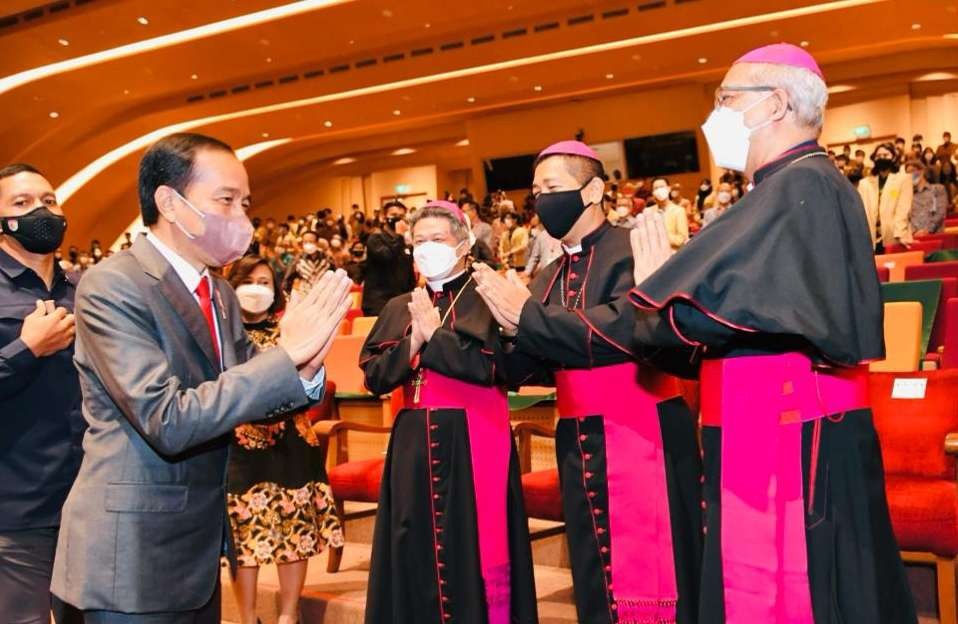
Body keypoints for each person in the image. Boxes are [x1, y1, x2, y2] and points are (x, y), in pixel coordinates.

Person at [571, 43, 914, 623]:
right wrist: (664, 302)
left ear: (775, 103)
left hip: (792, 434)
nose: (716, 115)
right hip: (762, 423)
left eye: (727, 99)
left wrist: (662, 295)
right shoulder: (785, 188)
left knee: (799, 589)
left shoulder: (801, 188)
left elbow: (726, 313)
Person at [50, 132, 354, 622]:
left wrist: (308, 367)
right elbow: (167, 419)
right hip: (130, 557)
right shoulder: (113, 285)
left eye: (245, 202)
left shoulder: (219, 292)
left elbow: (252, 390)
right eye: (226, 200)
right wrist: (285, 355)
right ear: (169, 202)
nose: (241, 217)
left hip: (197, 549)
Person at [474, 141, 702, 624]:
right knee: (594, 569)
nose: (540, 200)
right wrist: (492, 333)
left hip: (644, 432)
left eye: (552, 188)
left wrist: (528, 319)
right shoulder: (548, 274)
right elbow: (532, 366)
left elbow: (628, 328)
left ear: (593, 189)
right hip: (577, 438)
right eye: (535, 191)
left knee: (659, 573)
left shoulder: (633, 249)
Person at [361, 200, 538, 624]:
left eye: (437, 239)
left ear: (463, 244)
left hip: (475, 437)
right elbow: (376, 377)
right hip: (412, 442)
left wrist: (434, 338)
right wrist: (413, 343)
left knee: (474, 543)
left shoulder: (487, 294)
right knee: (413, 542)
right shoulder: (397, 305)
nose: (426, 248)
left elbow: (497, 367)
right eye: (419, 241)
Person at [226, 256, 344, 624]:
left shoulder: (290, 330)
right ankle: (248, 618)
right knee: (245, 538)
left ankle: (289, 615)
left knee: (296, 533)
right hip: (241, 446)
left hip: (292, 444)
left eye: (265, 281)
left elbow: (315, 384)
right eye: (250, 280)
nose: (258, 288)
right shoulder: (223, 336)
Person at [0, 164, 83, 624]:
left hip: (85, 496)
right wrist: (26, 350)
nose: (40, 211)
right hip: (17, 503)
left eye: (49, 201)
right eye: (22, 203)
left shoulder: (84, 290)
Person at [362, 200, 415, 316]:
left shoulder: (405, 243)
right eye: (394, 215)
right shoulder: (375, 239)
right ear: (383, 217)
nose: (398, 219)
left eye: (401, 216)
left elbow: (409, 273)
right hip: (379, 302)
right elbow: (386, 256)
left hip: (401, 301)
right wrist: (399, 236)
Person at [858, 142, 914, 252]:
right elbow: (861, 211)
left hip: (895, 236)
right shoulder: (864, 183)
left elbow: (903, 209)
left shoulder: (903, 179)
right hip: (871, 238)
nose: (882, 158)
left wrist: (900, 233)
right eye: (878, 156)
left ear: (893, 158)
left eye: (886, 155)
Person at [906, 159, 948, 236]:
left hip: (935, 236)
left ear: (922, 171)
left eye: (913, 171)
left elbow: (940, 213)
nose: (911, 175)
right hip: (914, 237)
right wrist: (913, 232)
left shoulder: (938, 189)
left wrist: (927, 230)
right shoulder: (907, 195)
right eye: (908, 173)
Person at [649, 177, 690, 249]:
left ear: (668, 189)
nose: (659, 190)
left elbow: (682, 239)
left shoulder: (679, 211)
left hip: (672, 254)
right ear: (652, 192)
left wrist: (661, 235)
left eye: (662, 187)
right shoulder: (648, 211)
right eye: (656, 188)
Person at [523, 212, 563, 279]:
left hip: (561, 273)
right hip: (545, 274)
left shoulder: (565, 233)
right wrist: (527, 272)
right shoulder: (542, 236)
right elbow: (534, 257)